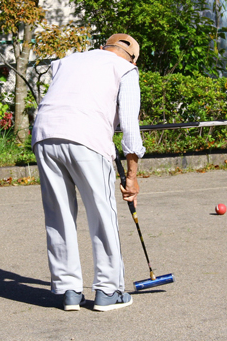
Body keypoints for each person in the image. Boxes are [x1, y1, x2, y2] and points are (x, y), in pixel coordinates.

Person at [31, 33, 146, 312]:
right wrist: (131, 177)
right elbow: (130, 128)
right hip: (86, 139)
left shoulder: (68, 61)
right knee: (102, 213)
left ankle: (69, 291)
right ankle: (108, 291)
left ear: (103, 47)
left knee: (58, 215)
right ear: (133, 59)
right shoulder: (126, 69)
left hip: (44, 134)